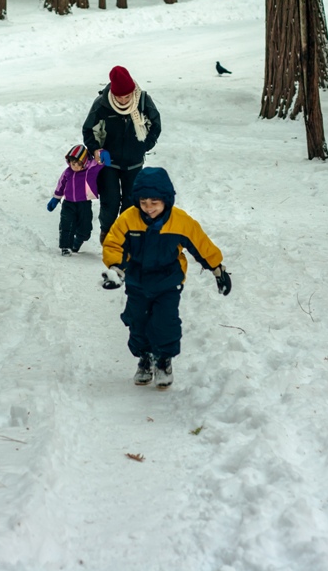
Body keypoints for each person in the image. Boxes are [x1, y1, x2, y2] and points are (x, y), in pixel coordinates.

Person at [100, 166, 232, 389]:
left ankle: (163, 361)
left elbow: (201, 245)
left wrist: (218, 270)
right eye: (143, 202)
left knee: (165, 322)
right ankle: (145, 359)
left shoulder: (181, 222)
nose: (148, 208)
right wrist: (116, 269)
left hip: (168, 282)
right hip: (137, 282)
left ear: (166, 200)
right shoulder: (128, 219)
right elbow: (114, 243)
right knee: (138, 321)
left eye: (154, 202)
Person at [82, 66, 161, 244]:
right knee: (110, 201)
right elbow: (88, 129)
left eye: (127, 96)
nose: (124, 100)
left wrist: (144, 146)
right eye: (119, 96)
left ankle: (126, 235)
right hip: (109, 163)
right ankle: (107, 233)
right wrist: (95, 148)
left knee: (131, 201)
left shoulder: (142, 100)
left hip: (134, 162)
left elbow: (156, 124)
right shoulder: (102, 104)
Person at [47, 144, 106, 256]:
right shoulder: (68, 172)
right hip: (68, 203)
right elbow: (61, 185)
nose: (74, 167)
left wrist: (101, 152)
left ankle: (77, 242)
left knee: (85, 228)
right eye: (72, 163)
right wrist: (55, 199)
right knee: (66, 225)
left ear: (84, 162)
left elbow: (103, 161)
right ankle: (65, 247)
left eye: (78, 164)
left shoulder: (91, 169)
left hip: (84, 204)